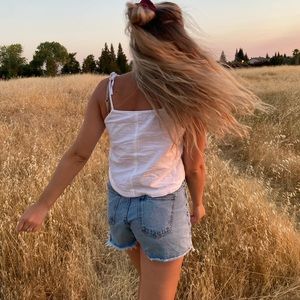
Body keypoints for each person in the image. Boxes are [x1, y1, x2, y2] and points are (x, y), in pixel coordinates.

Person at [16, 1, 272, 299]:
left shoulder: (107, 91)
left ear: (135, 43)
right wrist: (198, 202)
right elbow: (194, 165)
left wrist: (42, 205)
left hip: (119, 208)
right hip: (161, 207)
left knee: (148, 287)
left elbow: (78, 154)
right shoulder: (183, 94)